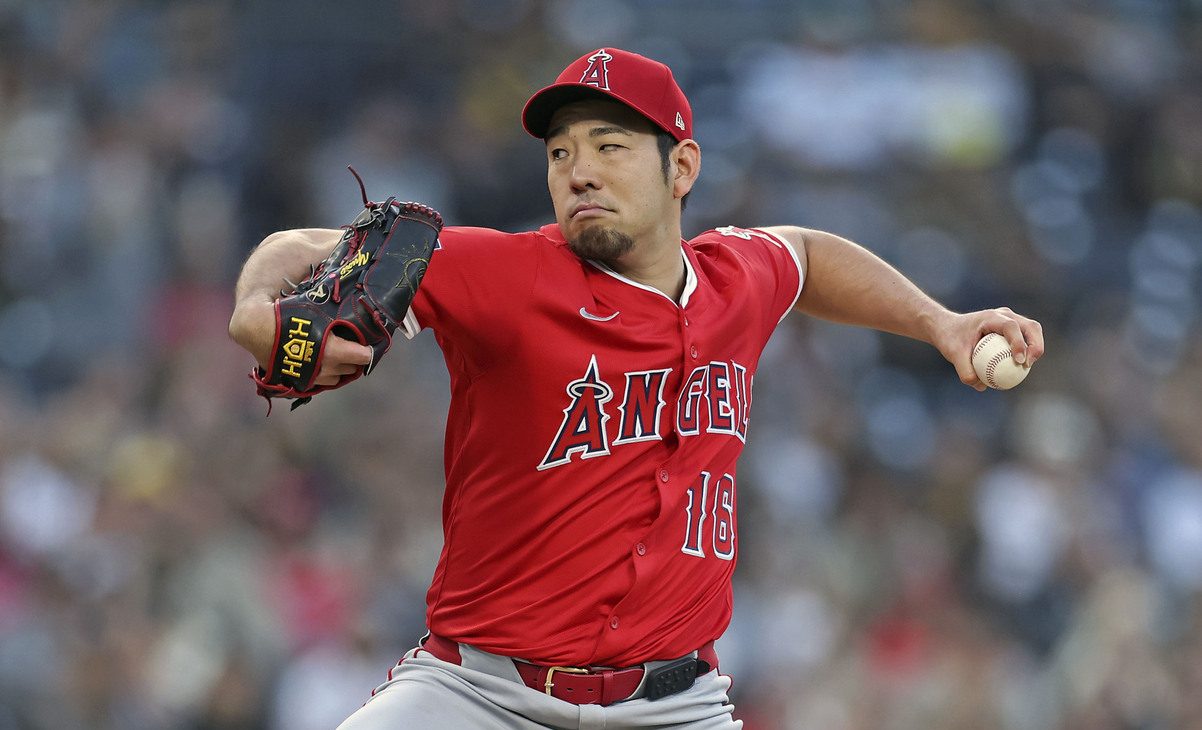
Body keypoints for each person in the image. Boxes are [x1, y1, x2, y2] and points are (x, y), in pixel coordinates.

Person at [228, 47, 1044, 730]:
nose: (579, 171)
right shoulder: (507, 275)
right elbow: (299, 244)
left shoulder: (735, 277)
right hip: (481, 695)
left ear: (681, 165)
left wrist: (942, 324)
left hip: (676, 706)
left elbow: (805, 255)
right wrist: (259, 312)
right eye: (560, 154)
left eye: (610, 147)